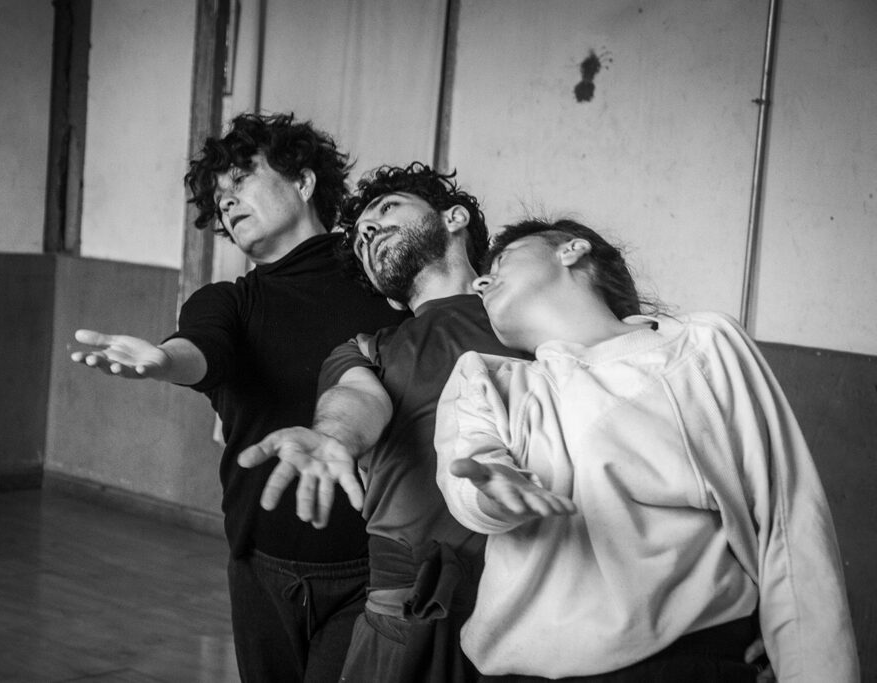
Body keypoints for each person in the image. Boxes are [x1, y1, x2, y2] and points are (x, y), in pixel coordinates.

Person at [434, 218, 860, 682]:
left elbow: (788, 522)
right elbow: (469, 476)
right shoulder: (487, 378)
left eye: (503, 260)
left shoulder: (699, 345)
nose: (481, 281)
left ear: (571, 250)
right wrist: (493, 490)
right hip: (522, 674)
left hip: (687, 662)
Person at [70, 112, 408, 683]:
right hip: (260, 565)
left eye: (241, 180)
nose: (227, 202)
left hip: (371, 568)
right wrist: (163, 360)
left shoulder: (384, 288)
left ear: (303, 181)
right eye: (219, 197)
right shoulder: (228, 301)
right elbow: (203, 349)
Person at [238, 163, 529, 683]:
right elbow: (355, 399)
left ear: (454, 218)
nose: (368, 230)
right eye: (360, 238)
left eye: (387, 208)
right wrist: (333, 437)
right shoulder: (367, 349)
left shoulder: (532, 320)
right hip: (403, 617)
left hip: (536, 601)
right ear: (385, 291)